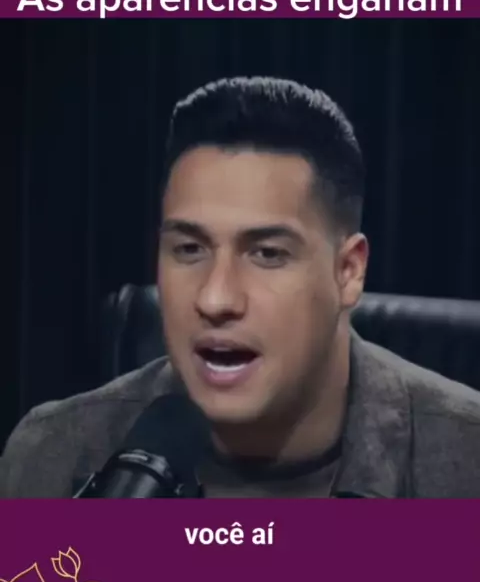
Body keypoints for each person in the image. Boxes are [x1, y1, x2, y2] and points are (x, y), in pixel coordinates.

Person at [2, 76, 480, 499]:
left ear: (348, 272)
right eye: (189, 249)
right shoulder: (53, 453)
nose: (216, 299)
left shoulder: (465, 460)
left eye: (267, 254)